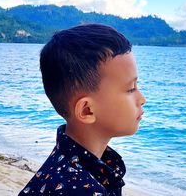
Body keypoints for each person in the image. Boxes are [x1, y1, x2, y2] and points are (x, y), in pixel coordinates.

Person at [19, 24, 146, 196]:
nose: (142, 99)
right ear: (87, 110)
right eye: (131, 89)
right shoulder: (77, 188)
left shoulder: (68, 165)